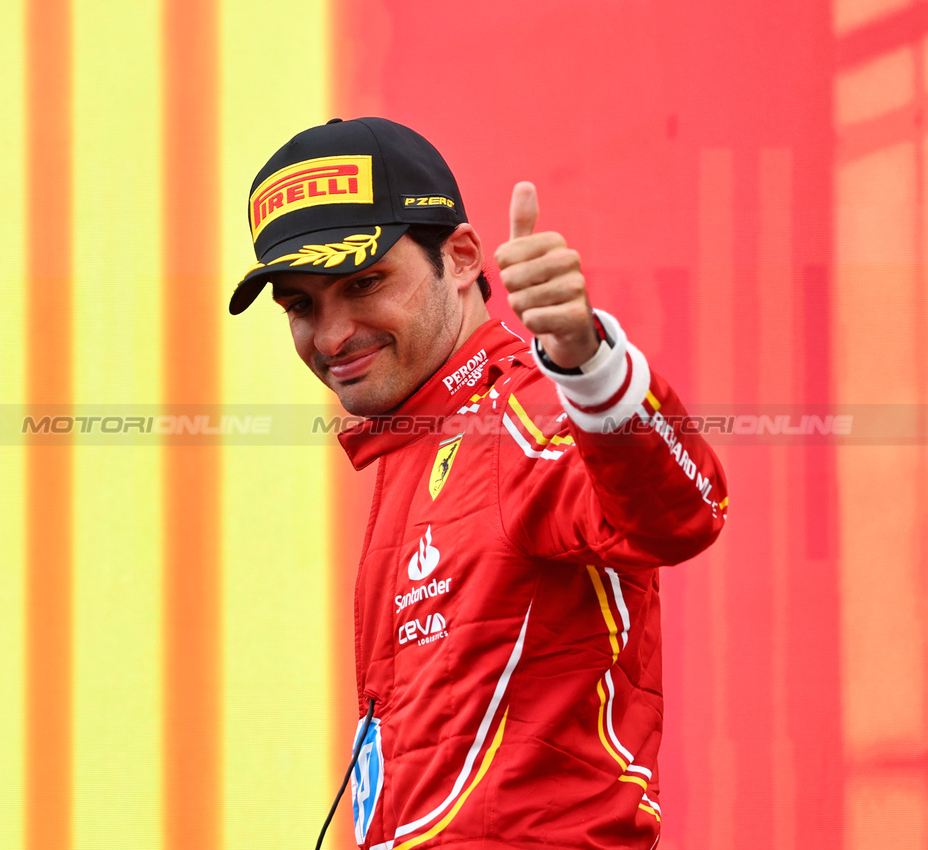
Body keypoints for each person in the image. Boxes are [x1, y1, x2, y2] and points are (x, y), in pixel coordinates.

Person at [230, 117, 727, 850]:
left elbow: (681, 516)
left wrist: (589, 361)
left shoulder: (523, 411)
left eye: (363, 282)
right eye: (301, 305)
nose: (331, 335)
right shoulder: (415, 442)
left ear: (460, 257)